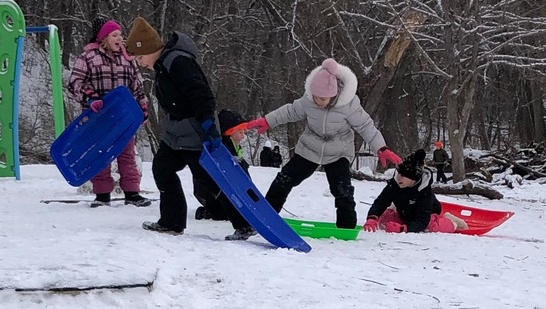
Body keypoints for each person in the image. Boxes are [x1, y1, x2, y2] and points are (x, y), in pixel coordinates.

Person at [124, 16, 256, 240]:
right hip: (176, 132)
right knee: (162, 168)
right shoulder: (163, 65)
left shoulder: (177, 62)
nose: (139, 62)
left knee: (210, 180)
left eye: (139, 57)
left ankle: (244, 224)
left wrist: (207, 124)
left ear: (150, 48)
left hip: (195, 131)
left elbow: (201, 94)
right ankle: (172, 222)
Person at [244, 58, 401, 229]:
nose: (319, 101)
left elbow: (365, 125)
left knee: (342, 191)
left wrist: (381, 147)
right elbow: (290, 111)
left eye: (324, 99)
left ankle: (346, 228)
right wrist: (268, 120)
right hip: (309, 149)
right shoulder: (308, 100)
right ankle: (266, 217)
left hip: (338, 152)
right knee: (283, 180)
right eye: (317, 97)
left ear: (334, 94)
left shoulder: (348, 104)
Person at [67, 17, 152, 207]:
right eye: (115, 35)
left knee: (127, 154)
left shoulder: (127, 59)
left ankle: (132, 193)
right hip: (98, 117)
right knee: (100, 155)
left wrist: (142, 108)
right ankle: (102, 194)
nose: (120, 38)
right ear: (104, 38)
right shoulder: (88, 57)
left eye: (121, 35)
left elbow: (137, 86)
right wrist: (90, 98)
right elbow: (75, 82)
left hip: (123, 117)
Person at [363, 149, 468, 234]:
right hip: (404, 213)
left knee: (432, 227)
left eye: (403, 176)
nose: (399, 177)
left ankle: (452, 221)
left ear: (413, 179)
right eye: (399, 173)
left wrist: (405, 229)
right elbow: (381, 201)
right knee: (384, 221)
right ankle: (395, 212)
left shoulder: (424, 192)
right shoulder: (394, 184)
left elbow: (422, 220)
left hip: (427, 216)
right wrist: (372, 217)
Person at [193, 108, 250, 221]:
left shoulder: (234, 147)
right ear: (229, 133)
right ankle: (207, 211)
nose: (243, 136)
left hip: (225, 194)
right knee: (223, 215)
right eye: (240, 132)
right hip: (213, 195)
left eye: (243, 132)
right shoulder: (222, 150)